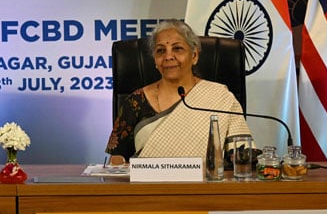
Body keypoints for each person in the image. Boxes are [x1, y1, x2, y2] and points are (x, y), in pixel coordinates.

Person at [106, 19, 251, 160]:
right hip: (147, 184)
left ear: (194, 56)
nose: (168, 56)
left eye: (177, 48)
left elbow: (242, 156)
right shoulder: (135, 102)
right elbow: (117, 160)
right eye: (160, 51)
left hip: (206, 183)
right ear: (155, 61)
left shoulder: (220, 98)